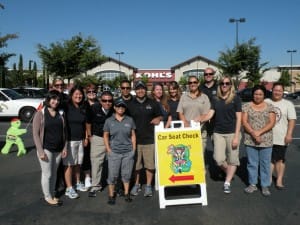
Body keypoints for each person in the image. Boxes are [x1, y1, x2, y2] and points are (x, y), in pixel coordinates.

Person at [201, 76, 242, 194]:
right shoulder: (215, 99)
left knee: (233, 159)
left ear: (231, 85)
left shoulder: (236, 99)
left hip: (232, 132)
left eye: (227, 83)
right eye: (222, 83)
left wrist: (236, 136)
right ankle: (229, 171)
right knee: (218, 159)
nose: (224, 85)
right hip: (218, 133)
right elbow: (210, 114)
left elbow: (239, 119)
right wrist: (199, 120)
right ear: (219, 85)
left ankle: (227, 182)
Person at [32, 90, 67, 206]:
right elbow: (35, 134)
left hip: (58, 149)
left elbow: (64, 132)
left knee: (55, 173)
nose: (56, 101)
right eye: (53, 99)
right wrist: (41, 151)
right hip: (46, 149)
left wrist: (64, 148)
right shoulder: (40, 114)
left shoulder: (60, 114)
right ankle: (47, 196)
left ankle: (52, 193)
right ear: (48, 99)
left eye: (58, 99)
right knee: (47, 174)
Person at [127, 80, 162, 197]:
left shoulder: (152, 103)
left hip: (149, 139)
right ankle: (136, 185)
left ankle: (148, 186)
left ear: (145, 90)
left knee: (150, 165)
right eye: (138, 88)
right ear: (135, 90)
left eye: (142, 88)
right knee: (136, 166)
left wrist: (159, 118)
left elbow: (161, 115)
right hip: (134, 140)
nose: (140, 90)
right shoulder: (130, 104)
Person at [242, 85, 276, 197]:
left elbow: (271, 123)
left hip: (265, 140)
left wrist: (259, 132)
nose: (257, 96)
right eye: (256, 94)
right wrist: (253, 133)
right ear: (253, 94)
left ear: (264, 95)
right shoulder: (246, 106)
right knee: (252, 163)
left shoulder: (270, 106)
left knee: (265, 163)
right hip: (250, 139)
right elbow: (244, 122)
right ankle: (252, 184)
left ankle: (265, 185)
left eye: (260, 94)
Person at [103, 98, 136, 204]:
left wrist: (133, 149)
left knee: (126, 175)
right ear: (114, 107)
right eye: (118, 106)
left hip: (128, 152)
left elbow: (133, 135)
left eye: (122, 106)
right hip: (114, 152)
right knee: (112, 175)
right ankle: (111, 195)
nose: (120, 108)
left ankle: (126, 193)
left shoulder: (129, 120)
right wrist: (108, 149)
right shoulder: (109, 121)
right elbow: (106, 135)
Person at [265, 82, 296, 190]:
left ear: (283, 92)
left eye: (279, 90)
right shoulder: (266, 102)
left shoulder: (288, 104)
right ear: (272, 90)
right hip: (267, 137)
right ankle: (268, 179)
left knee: (279, 160)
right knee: (268, 159)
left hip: (281, 137)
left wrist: (289, 134)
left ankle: (279, 180)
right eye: (275, 90)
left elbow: (292, 121)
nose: (277, 92)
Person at [86, 91, 114, 197]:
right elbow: (88, 122)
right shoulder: (94, 108)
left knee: (114, 163)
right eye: (104, 100)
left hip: (112, 138)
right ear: (100, 101)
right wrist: (89, 136)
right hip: (98, 138)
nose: (107, 103)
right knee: (97, 162)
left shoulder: (116, 109)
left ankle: (115, 185)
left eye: (109, 100)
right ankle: (95, 186)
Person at [63, 86, 88, 199]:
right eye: (76, 94)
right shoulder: (67, 106)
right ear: (71, 95)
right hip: (69, 140)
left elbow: (85, 124)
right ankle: (69, 188)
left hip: (80, 139)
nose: (78, 96)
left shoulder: (82, 107)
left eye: (80, 94)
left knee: (78, 163)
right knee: (69, 164)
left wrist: (86, 137)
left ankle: (77, 182)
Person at [177, 75, 211, 151]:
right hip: (186, 130)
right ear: (188, 84)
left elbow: (206, 113)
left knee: (199, 156)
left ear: (198, 83)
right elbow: (180, 112)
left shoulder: (204, 97)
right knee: (187, 155)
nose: (192, 84)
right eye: (190, 82)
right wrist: (185, 124)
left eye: (195, 82)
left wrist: (197, 123)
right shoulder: (184, 96)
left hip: (200, 130)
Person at [51, 77, 68, 196]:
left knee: (65, 162)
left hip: (65, 134)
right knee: (54, 164)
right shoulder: (49, 98)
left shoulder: (67, 98)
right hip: (53, 135)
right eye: (57, 85)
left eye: (61, 85)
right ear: (53, 86)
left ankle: (65, 184)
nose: (59, 87)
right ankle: (55, 186)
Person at [82, 84, 98, 189]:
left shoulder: (100, 104)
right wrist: (86, 136)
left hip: (98, 134)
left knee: (96, 157)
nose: (91, 93)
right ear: (86, 94)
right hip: (86, 134)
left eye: (93, 91)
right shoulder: (83, 105)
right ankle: (87, 177)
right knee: (87, 156)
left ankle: (96, 176)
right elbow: (82, 122)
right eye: (89, 92)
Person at [200, 67, 218, 140]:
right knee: (201, 142)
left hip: (215, 119)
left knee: (215, 143)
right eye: (206, 74)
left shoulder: (219, 87)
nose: (208, 75)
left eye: (210, 74)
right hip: (202, 118)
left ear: (213, 75)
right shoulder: (200, 88)